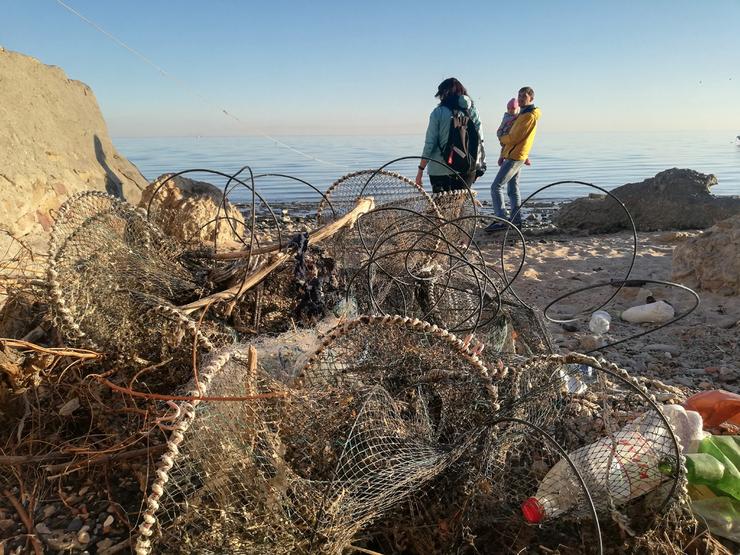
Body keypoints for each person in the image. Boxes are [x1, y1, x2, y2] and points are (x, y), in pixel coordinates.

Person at [485, 86, 540, 232]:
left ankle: (502, 220)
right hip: (515, 154)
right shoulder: (522, 114)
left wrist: (501, 138)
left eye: (524, 96)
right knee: (513, 189)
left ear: (531, 99)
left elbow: (514, 137)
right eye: (519, 96)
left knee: (496, 187)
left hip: (516, 156)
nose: (521, 98)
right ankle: (516, 221)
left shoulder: (528, 116)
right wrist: (503, 152)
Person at [415, 78, 484, 193]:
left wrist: (420, 170)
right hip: (467, 169)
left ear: (444, 94)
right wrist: (480, 167)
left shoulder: (438, 112)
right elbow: (480, 141)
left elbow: (430, 144)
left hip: (439, 170)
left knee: (442, 208)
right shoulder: (473, 111)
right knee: (459, 207)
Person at [496, 98, 531, 167]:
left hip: (514, 135)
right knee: (504, 147)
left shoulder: (520, 117)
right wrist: (500, 135)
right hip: (505, 134)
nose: (510, 110)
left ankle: (526, 157)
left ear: (517, 109)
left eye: (513, 109)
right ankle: (501, 157)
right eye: (508, 109)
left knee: (522, 145)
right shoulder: (506, 117)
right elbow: (502, 126)